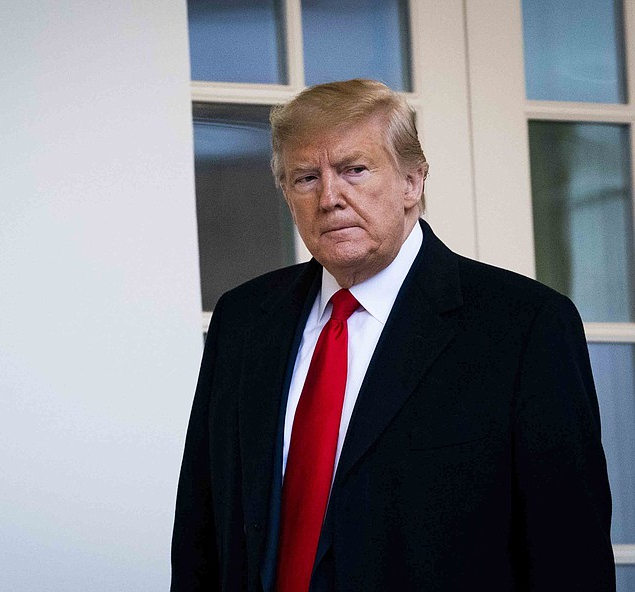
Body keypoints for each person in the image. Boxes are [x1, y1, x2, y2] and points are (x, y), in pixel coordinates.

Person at [171, 79, 614, 591]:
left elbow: (570, 555)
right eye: (306, 178)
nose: (330, 198)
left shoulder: (525, 326)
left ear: (412, 182)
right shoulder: (243, 320)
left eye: (354, 170)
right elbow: (200, 533)